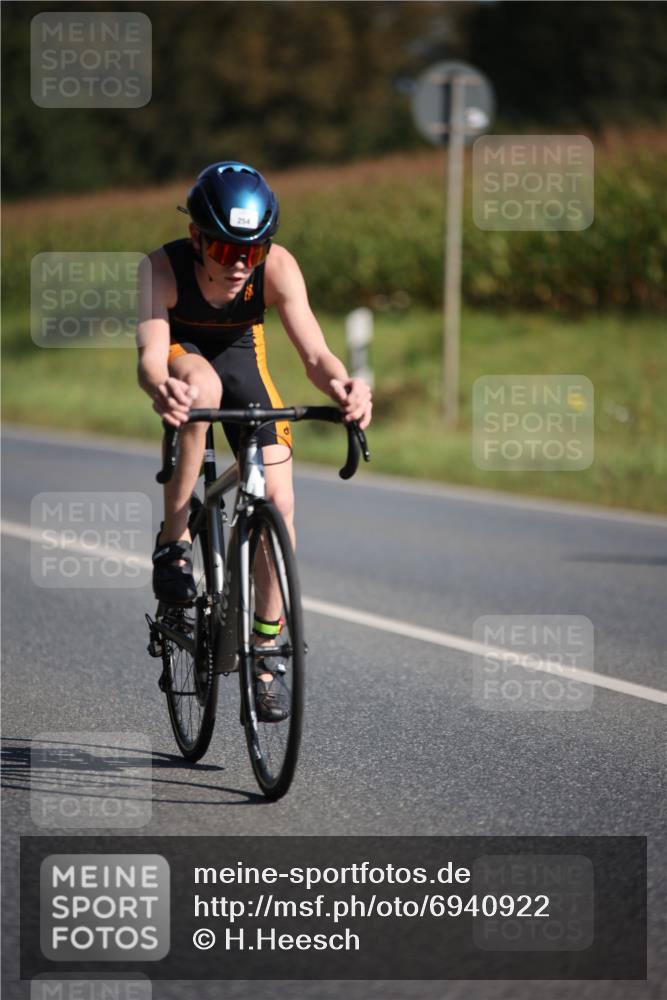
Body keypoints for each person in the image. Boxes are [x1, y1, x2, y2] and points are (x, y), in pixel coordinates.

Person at [137, 160, 372, 720]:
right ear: (196, 237)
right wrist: (161, 388)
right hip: (184, 357)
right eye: (224, 250)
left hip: (244, 356)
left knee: (281, 505)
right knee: (201, 387)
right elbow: (150, 357)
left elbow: (315, 354)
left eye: (254, 250)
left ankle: (267, 650)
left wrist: (344, 385)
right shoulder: (161, 269)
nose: (241, 264)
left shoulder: (278, 268)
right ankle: (175, 541)